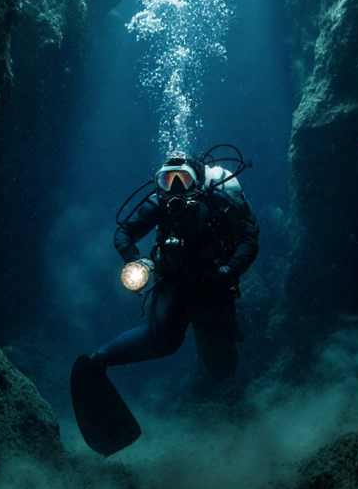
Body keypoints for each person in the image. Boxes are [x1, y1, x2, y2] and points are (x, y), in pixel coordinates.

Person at [71, 149, 259, 455]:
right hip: (175, 284)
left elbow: (250, 239)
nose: (174, 189)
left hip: (214, 287)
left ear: (196, 181)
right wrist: (135, 261)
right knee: (163, 340)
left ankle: (217, 348)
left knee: (222, 368)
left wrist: (228, 271)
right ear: (158, 183)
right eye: (166, 180)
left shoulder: (218, 202)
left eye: (182, 180)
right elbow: (125, 232)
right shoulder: (159, 205)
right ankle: (97, 362)